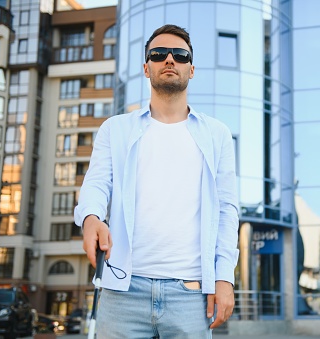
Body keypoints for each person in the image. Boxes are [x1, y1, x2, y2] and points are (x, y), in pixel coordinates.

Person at [74, 24, 239, 339]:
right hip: (122, 291)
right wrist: (91, 217)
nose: (169, 60)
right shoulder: (115, 129)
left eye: (179, 55)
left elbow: (227, 210)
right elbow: (96, 185)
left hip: (190, 296)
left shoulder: (217, 134)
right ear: (145, 66)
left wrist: (223, 278)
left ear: (191, 69)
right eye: (159, 54)